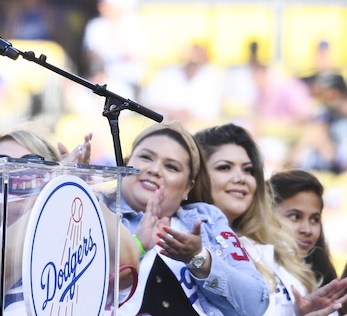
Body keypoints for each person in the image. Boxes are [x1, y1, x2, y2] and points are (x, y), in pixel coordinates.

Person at [0, 127, 135, 315]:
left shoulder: (71, 232)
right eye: (1, 164)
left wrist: (77, 190)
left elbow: (127, 272)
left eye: (32, 163)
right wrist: (54, 195)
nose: (18, 174)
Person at [102, 120, 270, 316]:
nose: (155, 170)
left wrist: (198, 258)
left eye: (171, 167)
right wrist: (138, 246)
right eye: (146, 157)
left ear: (188, 187)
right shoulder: (96, 209)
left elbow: (256, 304)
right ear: (127, 163)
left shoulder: (207, 220)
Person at [195, 123, 347, 316]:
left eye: (249, 170)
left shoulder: (277, 252)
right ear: (196, 177)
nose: (240, 178)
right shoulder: (178, 236)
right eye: (225, 167)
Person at [268, 169, 338, 287]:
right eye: (295, 217)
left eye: (314, 219)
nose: (307, 230)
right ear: (267, 215)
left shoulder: (325, 278)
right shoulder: (251, 268)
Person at [82, 0, 146, 100]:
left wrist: (115, 37)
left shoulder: (134, 23)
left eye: (105, 3)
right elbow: (89, 56)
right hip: (98, 80)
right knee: (73, 87)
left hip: (126, 83)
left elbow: (133, 56)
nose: (100, 6)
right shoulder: (95, 25)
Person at [288, 72, 347, 173]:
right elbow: (294, 157)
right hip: (314, 171)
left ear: (335, 92)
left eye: (325, 94)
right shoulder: (325, 114)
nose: (322, 98)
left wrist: (320, 139)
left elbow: (338, 160)